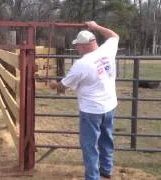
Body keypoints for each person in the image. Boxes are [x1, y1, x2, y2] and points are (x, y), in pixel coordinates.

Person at [49, 21, 119, 180]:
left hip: (91, 111)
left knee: (89, 145)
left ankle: (93, 177)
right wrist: (95, 27)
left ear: (85, 45)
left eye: (78, 46)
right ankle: (106, 170)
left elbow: (63, 86)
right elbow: (114, 35)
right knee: (106, 139)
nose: (77, 49)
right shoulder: (107, 50)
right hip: (109, 106)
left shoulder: (81, 64)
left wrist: (53, 85)